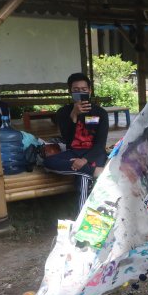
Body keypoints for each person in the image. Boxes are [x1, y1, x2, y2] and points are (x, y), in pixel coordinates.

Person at [43, 72, 109, 209]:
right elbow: (68, 139)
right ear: (70, 92)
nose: (80, 93)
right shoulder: (63, 112)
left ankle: (80, 217)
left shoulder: (100, 113)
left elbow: (100, 144)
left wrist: (84, 161)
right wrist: (73, 115)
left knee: (82, 179)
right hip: (73, 152)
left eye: (84, 90)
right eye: (76, 90)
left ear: (90, 91)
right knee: (48, 161)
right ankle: (95, 171)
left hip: (94, 153)